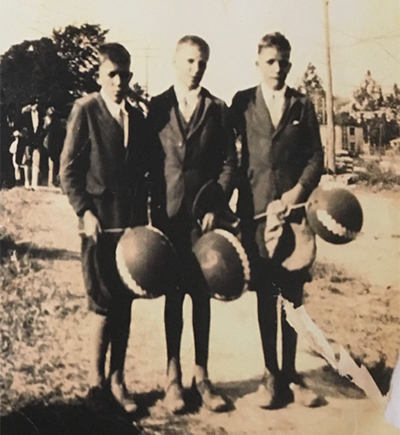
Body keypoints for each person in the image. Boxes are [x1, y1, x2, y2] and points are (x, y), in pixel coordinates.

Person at [60, 42, 166, 412]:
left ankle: (119, 380)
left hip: (130, 228)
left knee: (125, 304)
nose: (119, 81)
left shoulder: (135, 116)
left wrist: (146, 220)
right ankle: (95, 381)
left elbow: (147, 172)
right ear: (99, 76)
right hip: (98, 227)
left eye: (125, 75)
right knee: (103, 304)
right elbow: (68, 172)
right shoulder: (85, 110)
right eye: (112, 75)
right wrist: (85, 212)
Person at [230, 32, 324, 409]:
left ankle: (291, 373)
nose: (278, 68)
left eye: (284, 62)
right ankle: (271, 374)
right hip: (255, 215)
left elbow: (316, 158)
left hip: (294, 218)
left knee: (293, 297)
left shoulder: (302, 105)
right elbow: (228, 156)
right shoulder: (242, 103)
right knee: (267, 296)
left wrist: (296, 194)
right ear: (258, 63)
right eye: (271, 61)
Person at [147, 35, 237, 414]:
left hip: (203, 219)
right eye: (189, 61)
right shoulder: (157, 107)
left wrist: (216, 200)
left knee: (202, 295)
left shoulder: (217, 108)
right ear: (175, 61)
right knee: (173, 296)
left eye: (201, 62)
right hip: (168, 219)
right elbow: (147, 163)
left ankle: (202, 376)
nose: (196, 68)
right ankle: (173, 378)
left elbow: (229, 163)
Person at [18, 98, 45, 189]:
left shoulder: (40, 115)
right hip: (27, 142)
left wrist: (40, 138)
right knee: (27, 162)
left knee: (36, 163)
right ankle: (27, 182)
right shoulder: (25, 115)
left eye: (36, 104)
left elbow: (42, 128)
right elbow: (21, 127)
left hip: (37, 141)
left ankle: (34, 184)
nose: (35, 106)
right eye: (33, 104)